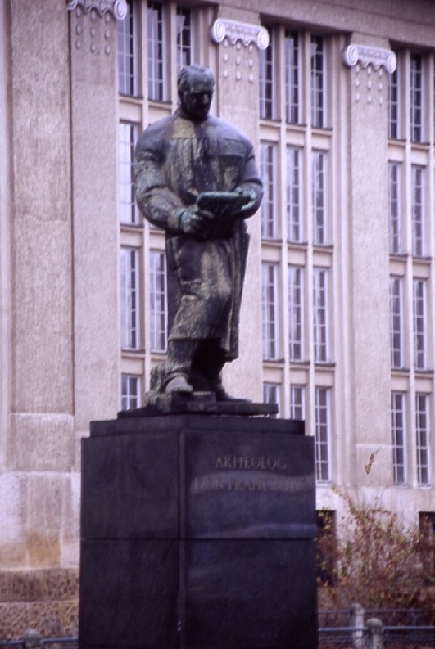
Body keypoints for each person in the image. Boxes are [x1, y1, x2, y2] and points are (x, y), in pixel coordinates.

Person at [134, 64, 262, 400]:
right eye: (196, 94)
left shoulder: (235, 138)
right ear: (181, 90)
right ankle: (175, 367)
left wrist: (247, 198)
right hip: (188, 233)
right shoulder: (156, 136)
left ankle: (206, 374)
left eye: (208, 94)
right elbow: (149, 190)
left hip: (228, 236)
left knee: (226, 306)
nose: (203, 101)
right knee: (209, 292)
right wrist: (179, 214)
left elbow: (252, 183)